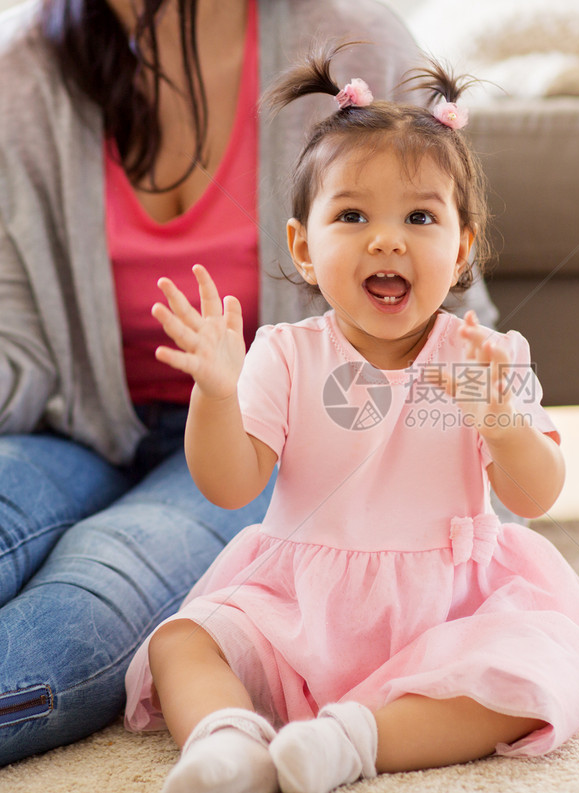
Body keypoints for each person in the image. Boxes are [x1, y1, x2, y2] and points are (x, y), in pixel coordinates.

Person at [0, 0, 499, 766]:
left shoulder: (354, 40)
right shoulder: (27, 74)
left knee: (106, 570)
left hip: (260, 434)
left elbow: (455, 313)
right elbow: (15, 344)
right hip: (66, 424)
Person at [123, 43, 579, 793]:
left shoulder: (483, 355)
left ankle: (353, 740)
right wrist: (218, 394)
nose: (387, 239)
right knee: (183, 641)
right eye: (352, 214)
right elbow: (228, 485)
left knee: (532, 669)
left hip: (447, 610)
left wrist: (502, 420)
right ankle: (226, 743)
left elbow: (537, 495)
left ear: (460, 253)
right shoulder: (284, 354)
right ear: (304, 249)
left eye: (420, 216)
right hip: (299, 611)